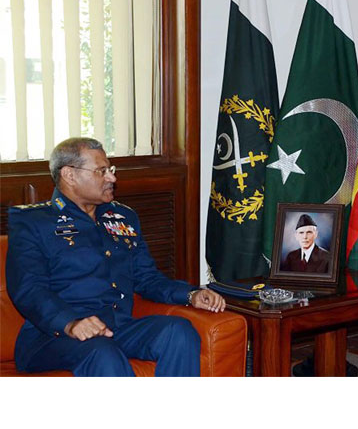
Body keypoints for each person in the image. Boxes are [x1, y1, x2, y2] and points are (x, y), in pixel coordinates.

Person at [6, 137, 226, 377]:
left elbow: (146, 277)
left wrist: (191, 294)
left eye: (110, 170)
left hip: (117, 327)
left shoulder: (123, 217)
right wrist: (71, 323)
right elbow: (29, 289)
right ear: (70, 175)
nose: (112, 178)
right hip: (52, 336)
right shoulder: (33, 223)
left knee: (179, 330)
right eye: (101, 171)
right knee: (101, 351)